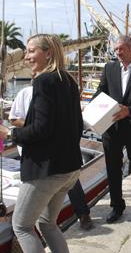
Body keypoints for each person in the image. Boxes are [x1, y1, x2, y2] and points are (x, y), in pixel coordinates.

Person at [0, 34, 82, 253]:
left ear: (48, 52)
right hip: (69, 168)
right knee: (47, 224)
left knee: (21, 225)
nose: (27, 56)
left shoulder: (43, 81)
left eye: (32, 51)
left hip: (46, 170)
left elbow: (41, 129)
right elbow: (75, 126)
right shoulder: (68, 81)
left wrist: (9, 133)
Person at [9, 85, 93, 231]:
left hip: (57, 151)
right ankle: (36, 219)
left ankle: (83, 213)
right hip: (31, 149)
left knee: (71, 183)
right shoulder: (25, 93)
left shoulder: (59, 92)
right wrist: (34, 125)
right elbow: (13, 119)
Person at [94, 35, 131, 227]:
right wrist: (91, 108)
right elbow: (101, 92)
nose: (118, 53)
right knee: (113, 169)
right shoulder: (109, 68)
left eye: (121, 49)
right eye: (116, 49)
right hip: (111, 128)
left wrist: (130, 111)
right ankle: (117, 207)